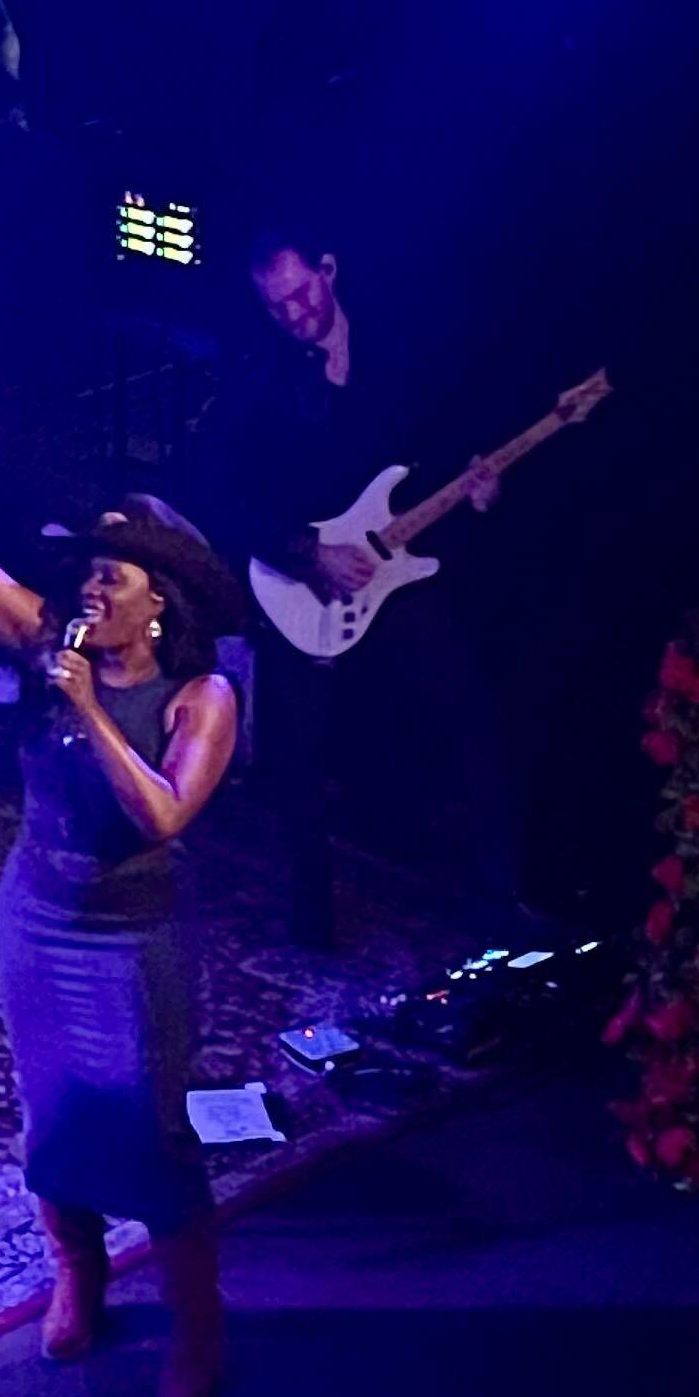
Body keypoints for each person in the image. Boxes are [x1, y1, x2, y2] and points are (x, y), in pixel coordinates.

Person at [0, 376, 242, 1397]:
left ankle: (197, 1324)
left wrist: (93, 712)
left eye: (112, 578)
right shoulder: (50, 643)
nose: (91, 590)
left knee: (148, 1123)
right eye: (89, 573)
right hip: (35, 915)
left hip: (133, 935)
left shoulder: (200, 695)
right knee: (55, 1115)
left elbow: (168, 815)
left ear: (159, 597)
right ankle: (77, 1272)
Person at [207, 222, 516, 944]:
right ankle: (310, 919)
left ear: (329, 269)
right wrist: (308, 552)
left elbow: (434, 457)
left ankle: (501, 898)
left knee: (475, 719)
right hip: (301, 584)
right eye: (276, 307)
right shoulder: (261, 376)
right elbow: (218, 491)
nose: (293, 316)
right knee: (301, 758)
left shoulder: (398, 351)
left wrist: (476, 494)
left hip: (396, 572)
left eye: (300, 295)